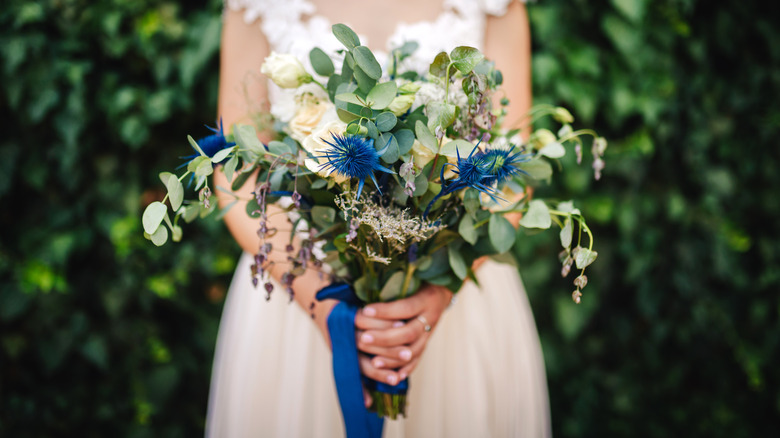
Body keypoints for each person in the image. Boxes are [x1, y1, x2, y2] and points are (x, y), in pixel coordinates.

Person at [207, 0, 551, 436]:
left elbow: (511, 168)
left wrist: (437, 295)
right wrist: (325, 307)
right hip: (297, 283)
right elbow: (238, 172)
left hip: (454, 291)